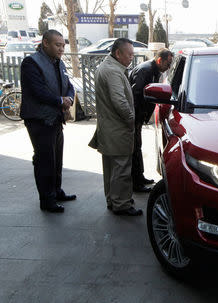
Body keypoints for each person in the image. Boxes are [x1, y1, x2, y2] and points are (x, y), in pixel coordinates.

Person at [20, 29, 76, 213]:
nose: (61, 49)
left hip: (55, 119)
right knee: (45, 160)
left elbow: (68, 85)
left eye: (63, 45)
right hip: (38, 120)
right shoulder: (31, 63)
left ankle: (56, 191)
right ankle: (47, 199)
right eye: (57, 45)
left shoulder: (59, 63)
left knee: (57, 158)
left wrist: (68, 97)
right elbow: (38, 91)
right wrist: (61, 101)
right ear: (45, 43)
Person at [88, 38, 142, 216]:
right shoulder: (113, 71)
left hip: (109, 128)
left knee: (111, 168)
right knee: (121, 168)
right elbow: (119, 101)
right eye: (129, 55)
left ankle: (113, 199)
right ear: (118, 53)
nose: (131, 59)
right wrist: (131, 119)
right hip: (117, 129)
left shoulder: (108, 66)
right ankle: (122, 204)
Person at [128, 48, 173, 192]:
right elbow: (136, 96)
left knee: (137, 147)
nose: (169, 67)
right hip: (134, 116)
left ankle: (139, 177)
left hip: (138, 117)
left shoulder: (152, 70)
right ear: (160, 60)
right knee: (134, 148)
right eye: (168, 63)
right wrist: (136, 118)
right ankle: (136, 182)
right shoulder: (146, 71)